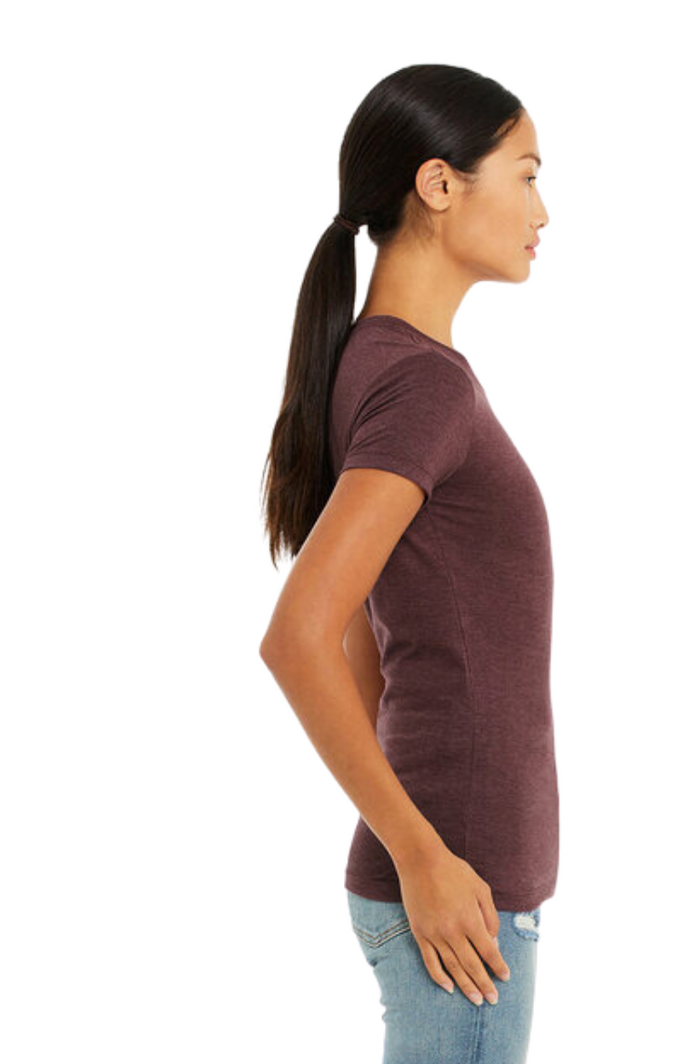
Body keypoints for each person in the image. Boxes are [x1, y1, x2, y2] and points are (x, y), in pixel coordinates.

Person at [259, 63, 555, 1064]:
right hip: (457, 891)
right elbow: (299, 636)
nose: (542, 211)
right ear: (438, 184)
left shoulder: (377, 365)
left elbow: (362, 640)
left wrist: (416, 849)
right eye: (526, 175)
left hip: (451, 878)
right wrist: (423, 855)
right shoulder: (422, 384)